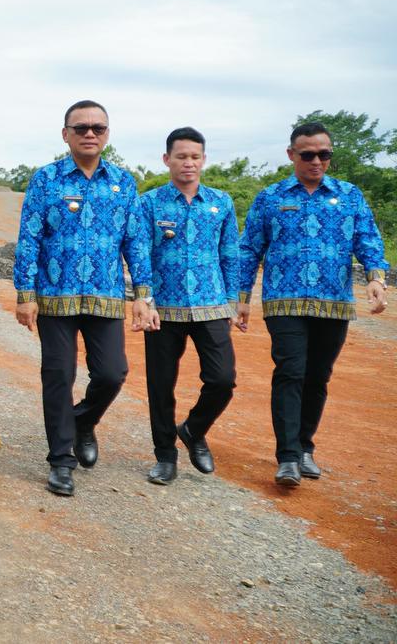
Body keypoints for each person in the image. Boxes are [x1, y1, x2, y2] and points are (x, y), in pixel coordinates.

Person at [236, 121, 389, 486]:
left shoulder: (349, 196)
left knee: (318, 376)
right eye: (308, 154)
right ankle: (287, 457)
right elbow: (248, 249)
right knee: (290, 372)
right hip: (284, 302)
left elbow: (368, 241)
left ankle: (305, 448)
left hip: (333, 302)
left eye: (324, 154)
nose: (316, 161)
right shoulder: (271, 197)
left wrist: (376, 279)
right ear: (292, 155)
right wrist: (241, 298)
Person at [14, 100, 152, 497]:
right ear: (65, 134)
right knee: (58, 376)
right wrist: (25, 295)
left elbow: (136, 241)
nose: (90, 133)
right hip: (55, 295)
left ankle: (82, 422)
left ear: (107, 134)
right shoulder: (47, 179)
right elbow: (29, 238)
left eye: (98, 128)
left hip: (106, 294)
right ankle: (61, 460)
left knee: (112, 373)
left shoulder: (123, 182)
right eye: (81, 128)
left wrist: (143, 294)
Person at [136, 127, 239, 485]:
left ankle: (193, 429)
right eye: (181, 156)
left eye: (195, 156)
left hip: (211, 305)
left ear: (204, 160)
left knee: (223, 379)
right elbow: (139, 255)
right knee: (160, 385)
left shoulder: (221, 202)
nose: (188, 163)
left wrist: (234, 301)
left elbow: (230, 254)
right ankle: (165, 456)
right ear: (167, 160)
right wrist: (144, 299)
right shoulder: (149, 203)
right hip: (163, 308)